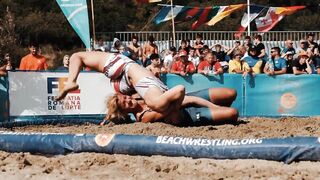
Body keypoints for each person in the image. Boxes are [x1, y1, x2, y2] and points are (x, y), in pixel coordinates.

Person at [55, 51, 186, 115]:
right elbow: (180, 90)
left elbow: (180, 91)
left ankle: (71, 81)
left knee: (76, 57)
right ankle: (71, 81)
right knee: (76, 57)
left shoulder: (155, 100)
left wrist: (175, 108)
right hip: (126, 71)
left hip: (125, 72)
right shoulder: (155, 99)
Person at [105, 88, 238, 125]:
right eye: (126, 103)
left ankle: (219, 113)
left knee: (231, 93)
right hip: (187, 113)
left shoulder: (139, 95)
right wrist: (214, 107)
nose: (129, 100)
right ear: (125, 111)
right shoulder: (144, 117)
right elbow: (180, 104)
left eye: (126, 97)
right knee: (233, 113)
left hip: (187, 97)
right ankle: (220, 114)